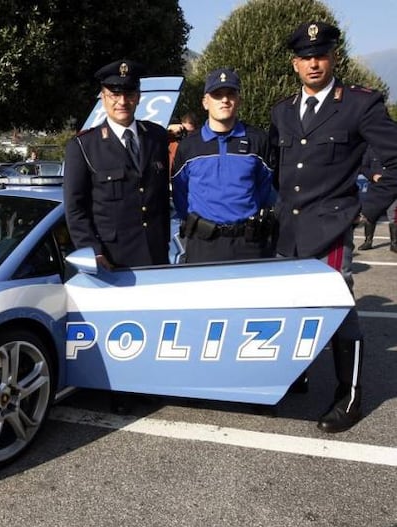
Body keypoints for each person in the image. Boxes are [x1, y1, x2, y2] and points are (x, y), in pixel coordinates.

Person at [269, 21, 397, 433]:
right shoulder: (283, 110)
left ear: (333, 57)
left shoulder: (360, 104)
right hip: (288, 232)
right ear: (294, 64)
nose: (313, 63)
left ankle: (350, 394)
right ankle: (298, 375)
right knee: (292, 308)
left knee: (340, 312)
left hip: (331, 230)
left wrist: (367, 211)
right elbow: (278, 169)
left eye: (320, 55)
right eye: (305, 58)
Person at [64, 59, 170, 270]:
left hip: (157, 256)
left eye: (129, 94)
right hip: (113, 261)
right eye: (114, 95)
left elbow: (161, 199)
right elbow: (75, 208)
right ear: (103, 98)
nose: (122, 101)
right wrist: (93, 251)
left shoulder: (156, 137)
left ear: (138, 98)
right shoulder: (84, 146)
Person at [172, 68, 274, 263]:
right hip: (203, 244)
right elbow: (181, 195)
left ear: (239, 100)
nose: (224, 100)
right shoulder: (188, 146)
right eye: (217, 95)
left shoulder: (258, 140)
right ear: (205, 102)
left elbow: (264, 188)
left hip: (249, 244)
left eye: (230, 94)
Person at [358, 148, 397, 253]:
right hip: (376, 188)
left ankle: (394, 244)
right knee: (370, 214)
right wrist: (373, 175)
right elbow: (362, 167)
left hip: (393, 188)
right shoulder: (371, 149)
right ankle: (368, 242)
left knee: (393, 215)